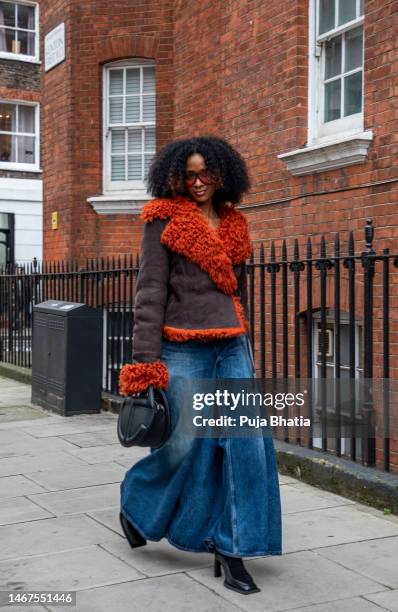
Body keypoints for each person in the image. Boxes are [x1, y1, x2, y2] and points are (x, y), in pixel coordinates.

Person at [118, 135, 282, 595]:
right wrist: (144, 366)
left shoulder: (234, 224)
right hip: (181, 346)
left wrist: (244, 340)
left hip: (230, 346)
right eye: (188, 174)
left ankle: (233, 549)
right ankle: (137, 504)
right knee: (183, 446)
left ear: (222, 174)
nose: (196, 182)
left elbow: (237, 292)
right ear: (175, 175)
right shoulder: (162, 220)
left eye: (205, 173)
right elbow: (150, 294)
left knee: (246, 447)